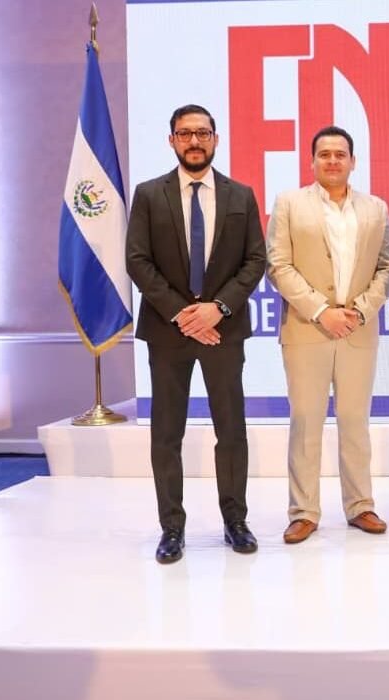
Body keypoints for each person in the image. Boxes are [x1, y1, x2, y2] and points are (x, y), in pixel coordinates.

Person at [125, 104, 267, 564]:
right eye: (185, 133)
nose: (194, 141)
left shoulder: (241, 195)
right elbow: (137, 260)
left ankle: (235, 521)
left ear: (215, 139)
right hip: (168, 332)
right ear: (171, 140)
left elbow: (255, 260)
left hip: (224, 330)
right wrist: (183, 314)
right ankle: (172, 528)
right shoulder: (149, 194)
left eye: (202, 133)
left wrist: (217, 309)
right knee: (167, 433)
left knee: (232, 430)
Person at [266, 125, 389, 544]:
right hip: (307, 329)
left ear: (353, 161)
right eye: (324, 154)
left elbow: (388, 267)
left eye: (340, 154)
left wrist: (359, 311)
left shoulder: (375, 208)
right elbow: (278, 265)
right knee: (306, 421)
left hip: (357, 330)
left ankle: (360, 505)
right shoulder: (289, 203)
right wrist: (322, 311)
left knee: (355, 421)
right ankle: (303, 511)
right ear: (312, 162)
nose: (332, 161)